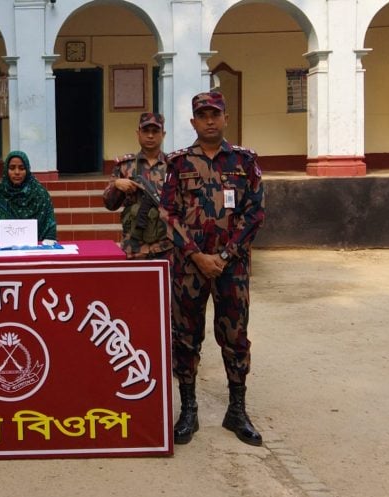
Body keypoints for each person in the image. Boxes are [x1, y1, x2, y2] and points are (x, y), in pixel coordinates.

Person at [159, 91, 265, 446]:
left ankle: (237, 410)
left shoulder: (244, 161)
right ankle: (188, 410)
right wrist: (196, 255)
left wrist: (225, 256)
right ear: (193, 121)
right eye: (202, 115)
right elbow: (169, 214)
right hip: (189, 268)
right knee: (185, 337)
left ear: (225, 118)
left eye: (215, 114)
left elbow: (255, 213)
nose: (209, 120)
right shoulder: (178, 163)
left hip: (231, 269)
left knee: (235, 337)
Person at [102, 112, 174, 259]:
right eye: (146, 131)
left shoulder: (174, 165)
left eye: (155, 131)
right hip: (133, 247)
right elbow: (109, 204)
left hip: (166, 248)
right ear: (138, 133)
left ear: (163, 134)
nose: (150, 136)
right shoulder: (125, 166)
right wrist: (117, 185)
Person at [0, 150, 57, 242]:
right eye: (12, 168)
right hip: (4, 249)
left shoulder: (40, 195)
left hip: (36, 248)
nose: (17, 172)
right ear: (6, 170)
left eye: (22, 168)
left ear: (27, 170)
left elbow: (50, 228)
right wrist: (0, 247)